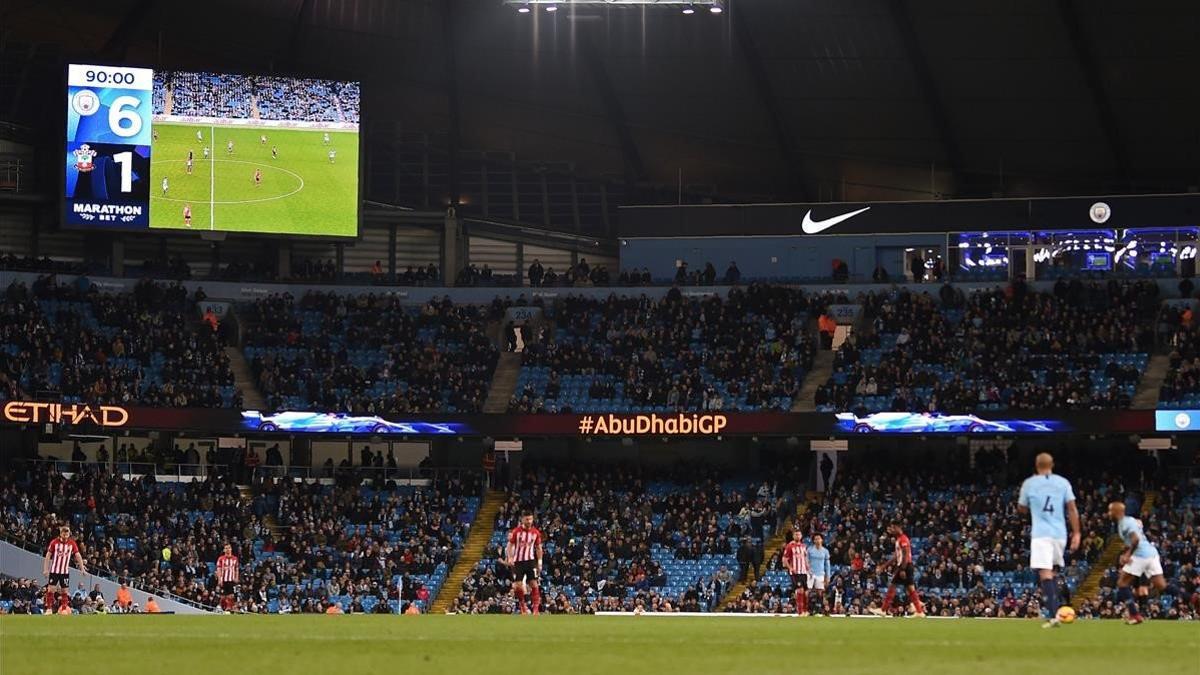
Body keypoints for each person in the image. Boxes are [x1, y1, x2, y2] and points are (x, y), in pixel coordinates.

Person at [1017, 452, 1080, 628]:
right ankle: (1056, 612)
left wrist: (1029, 505)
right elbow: (1072, 508)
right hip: (1060, 534)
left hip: (1041, 533)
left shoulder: (1029, 483)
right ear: (1052, 465)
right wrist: (1077, 533)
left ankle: (1054, 616)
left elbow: (1021, 508)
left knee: (1044, 573)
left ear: (1037, 466)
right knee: (1051, 572)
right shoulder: (1063, 482)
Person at [1109, 501, 1168, 625]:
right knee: (1162, 585)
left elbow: (1135, 540)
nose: (1109, 513)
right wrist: (1126, 552)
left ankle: (1135, 615)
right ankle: (1191, 598)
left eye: (1110, 510)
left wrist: (1127, 555)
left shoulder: (1124, 524)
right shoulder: (1128, 520)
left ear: (1117, 512)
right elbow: (1133, 539)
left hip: (1141, 554)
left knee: (1122, 583)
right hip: (1151, 552)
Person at [870, 520, 925, 617]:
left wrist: (902, 569)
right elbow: (896, 556)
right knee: (910, 589)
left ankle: (883, 610)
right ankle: (919, 611)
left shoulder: (903, 539)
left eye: (892, 527)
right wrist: (884, 566)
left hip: (905, 566)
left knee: (893, 586)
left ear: (897, 527)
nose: (891, 530)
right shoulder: (899, 539)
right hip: (906, 566)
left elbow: (905, 555)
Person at [504, 510, 544, 615]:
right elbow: (510, 545)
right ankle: (523, 606)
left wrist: (539, 562)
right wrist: (510, 557)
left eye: (530, 519)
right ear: (522, 519)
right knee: (518, 585)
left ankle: (536, 609)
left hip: (530, 561)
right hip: (518, 562)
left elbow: (538, 548)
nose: (529, 521)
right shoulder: (516, 532)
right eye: (527, 519)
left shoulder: (535, 532)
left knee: (534, 584)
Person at [42, 525, 86, 614]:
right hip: (54, 570)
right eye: (64, 532)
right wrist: (45, 569)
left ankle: (64, 609)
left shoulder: (72, 543)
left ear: (69, 534)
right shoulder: (54, 542)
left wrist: (82, 569)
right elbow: (48, 555)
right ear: (61, 533)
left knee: (65, 591)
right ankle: (49, 609)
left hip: (65, 572)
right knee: (51, 590)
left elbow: (78, 555)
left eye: (67, 533)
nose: (65, 534)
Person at [781, 530, 810, 616]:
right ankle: (800, 611)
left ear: (801, 536)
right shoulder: (790, 546)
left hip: (804, 572)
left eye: (799, 534)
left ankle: (805, 611)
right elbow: (785, 559)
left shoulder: (804, 546)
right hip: (795, 572)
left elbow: (805, 558)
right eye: (796, 534)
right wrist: (790, 568)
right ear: (793, 536)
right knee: (800, 590)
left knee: (806, 592)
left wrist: (807, 566)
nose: (798, 536)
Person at [807, 533, 831, 615]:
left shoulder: (825, 551)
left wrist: (828, 576)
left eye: (819, 538)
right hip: (810, 573)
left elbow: (827, 565)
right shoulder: (809, 550)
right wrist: (808, 570)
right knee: (808, 591)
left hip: (820, 573)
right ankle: (807, 609)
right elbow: (806, 561)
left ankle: (818, 609)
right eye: (816, 539)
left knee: (820, 592)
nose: (817, 540)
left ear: (822, 540)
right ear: (813, 540)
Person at [216, 543, 239, 612]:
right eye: (226, 548)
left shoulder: (235, 559)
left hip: (231, 580)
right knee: (223, 597)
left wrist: (236, 577)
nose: (228, 549)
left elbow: (236, 569)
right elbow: (219, 569)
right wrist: (219, 579)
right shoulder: (221, 559)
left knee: (231, 595)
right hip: (223, 579)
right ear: (224, 550)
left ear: (231, 549)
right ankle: (220, 607)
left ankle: (229, 608)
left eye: (229, 548)